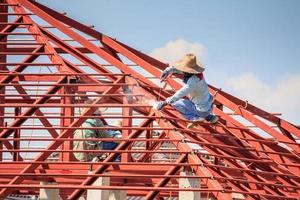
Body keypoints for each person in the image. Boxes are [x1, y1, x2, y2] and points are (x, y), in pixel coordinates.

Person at [156, 54, 218, 127]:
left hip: (201, 110)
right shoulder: (197, 74)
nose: (182, 70)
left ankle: (195, 118)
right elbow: (181, 71)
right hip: (208, 106)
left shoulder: (192, 81)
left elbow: (182, 92)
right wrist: (168, 70)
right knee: (199, 102)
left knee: (175, 103)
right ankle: (209, 117)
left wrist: (166, 101)